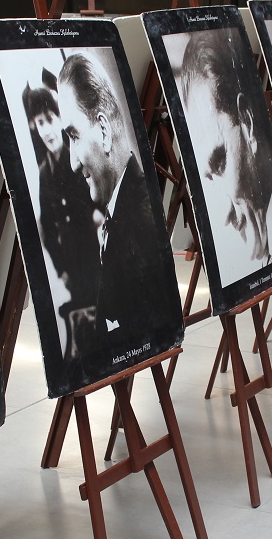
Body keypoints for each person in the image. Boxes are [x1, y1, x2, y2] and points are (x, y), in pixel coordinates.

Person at [59, 51, 175, 356]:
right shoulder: (124, 210)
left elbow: (144, 329)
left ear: (103, 129)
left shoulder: (139, 224)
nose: (72, 162)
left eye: (74, 136)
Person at [180, 29, 272, 271]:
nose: (225, 216)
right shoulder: (260, 230)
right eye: (210, 177)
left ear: (247, 121)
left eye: (220, 163)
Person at [22, 68, 101, 356]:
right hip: (71, 265)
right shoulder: (45, 173)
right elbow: (47, 224)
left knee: (104, 317)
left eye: (50, 120)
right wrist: (61, 269)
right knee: (82, 329)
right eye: (39, 122)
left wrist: (97, 217)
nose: (46, 129)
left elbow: (97, 203)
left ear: (60, 119)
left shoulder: (77, 152)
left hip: (95, 255)